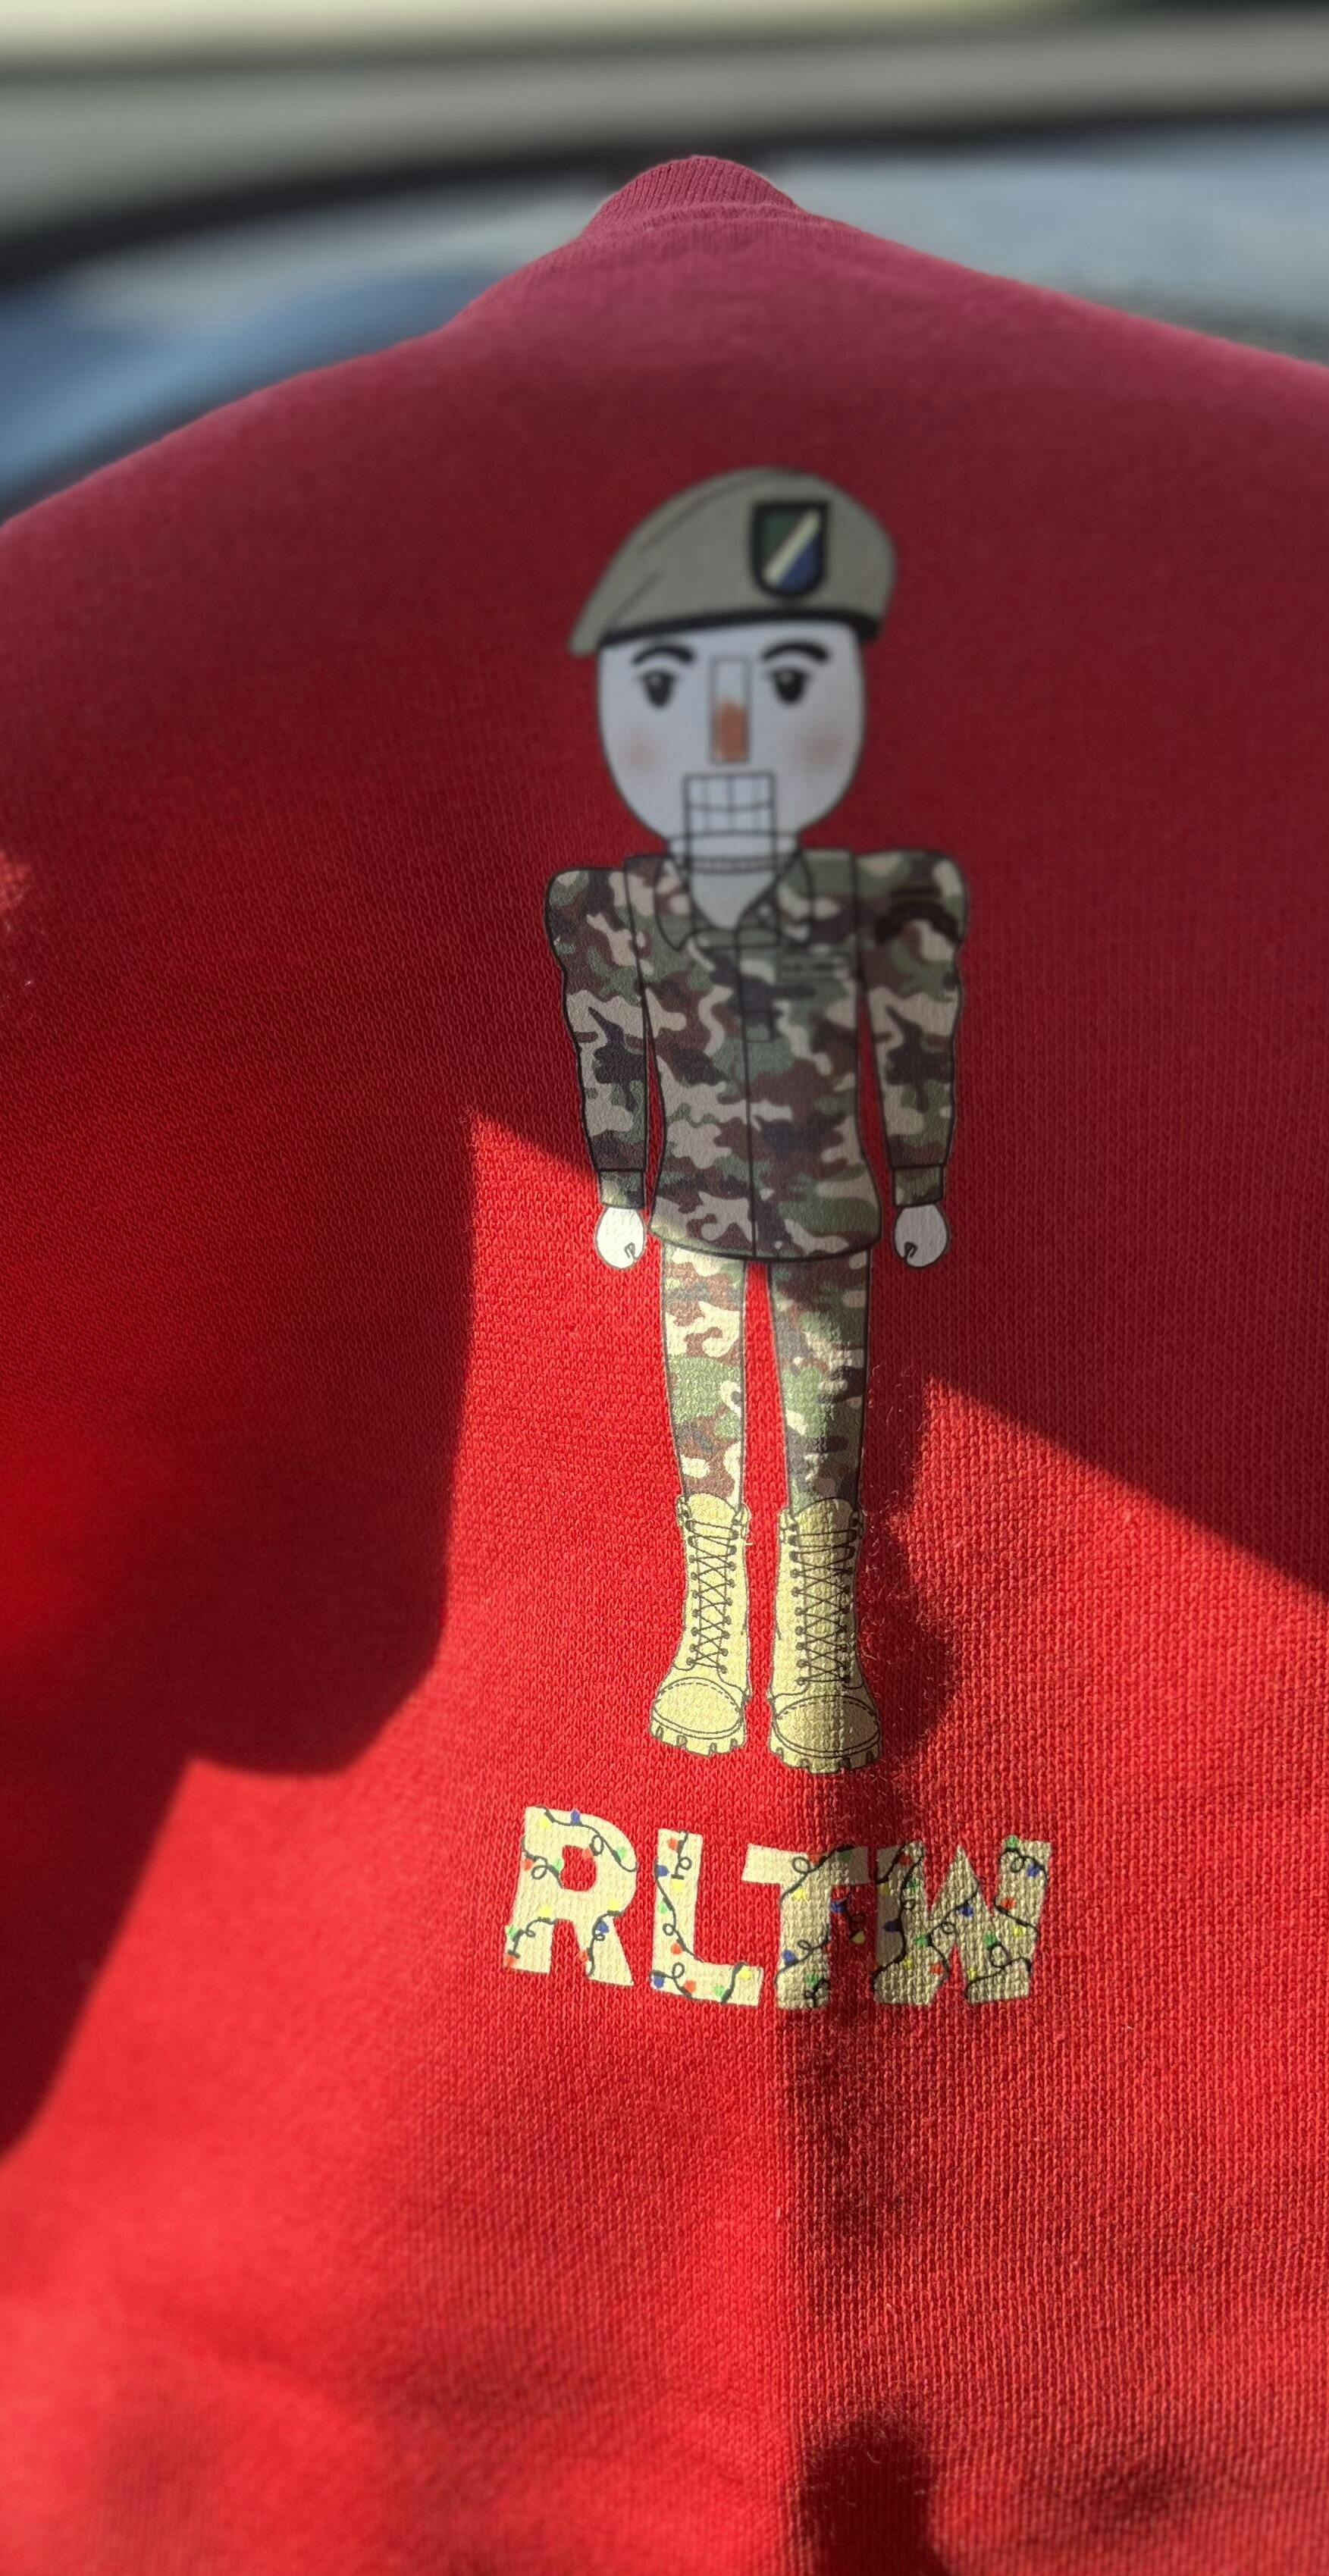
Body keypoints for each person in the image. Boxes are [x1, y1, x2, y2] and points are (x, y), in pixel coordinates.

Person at [546, 467, 965, 1773]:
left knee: (825, 1436)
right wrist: (618, 1185)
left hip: (830, 1208)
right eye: (673, 685)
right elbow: (609, 1049)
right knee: (708, 1433)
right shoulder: (617, 908)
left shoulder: (875, 899)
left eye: (784, 682)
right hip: (695, 1216)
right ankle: (712, 1641)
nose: (728, 730)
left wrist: (922, 1182)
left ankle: (820, 1643)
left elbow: (912, 1041)